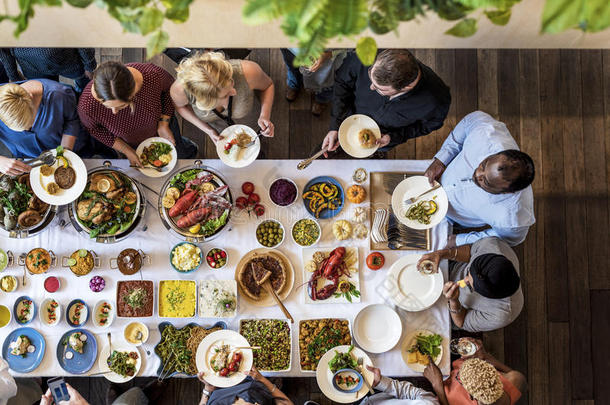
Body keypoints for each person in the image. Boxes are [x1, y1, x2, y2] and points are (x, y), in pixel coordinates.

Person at [424, 111, 535, 247]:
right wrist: (441, 161)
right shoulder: (487, 134)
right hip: (434, 179)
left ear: (506, 192)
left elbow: (509, 238)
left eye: (485, 182)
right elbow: (469, 121)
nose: (477, 175)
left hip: (452, 219)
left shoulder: (513, 216)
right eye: (483, 165)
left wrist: (459, 240)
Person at [322, 49, 450, 154]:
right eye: (370, 77)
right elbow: (342, 82)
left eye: (379, 89)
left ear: (406, 87)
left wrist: (394, 137)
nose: (371, 87)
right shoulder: (367, 55)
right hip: (348, 119)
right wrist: (336, 124)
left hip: (382, 141)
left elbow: (428, 125)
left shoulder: (436, 101)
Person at [78, 61, 197, 166]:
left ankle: (188, 147)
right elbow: (94, 129)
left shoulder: (152, 75)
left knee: (180, 151)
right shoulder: (87, 106)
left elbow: (170, 91)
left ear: (133, 92)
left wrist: (164, 123)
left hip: (164, 126)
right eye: (108, 107)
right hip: (130, 142)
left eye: (121, 106)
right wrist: (126, 150)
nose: (114, 112)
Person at [418, 237, 523, 332]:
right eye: (469, 272)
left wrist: (454, 301)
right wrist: (441, 254)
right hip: (451, 269)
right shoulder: (493, 245)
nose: (465, 279)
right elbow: (470, 251)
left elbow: (462, 322)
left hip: (455, 310)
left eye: (471, 286)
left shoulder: (500, 315)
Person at [170, 51, 275, 143]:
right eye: (224, 96)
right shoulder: (180, 90)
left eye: (231, 83)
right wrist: (209, 130)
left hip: (253, 124)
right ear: (204, 102)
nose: (234, 92)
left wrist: (264, 115)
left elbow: (268, 86)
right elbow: (180, 107)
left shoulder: (249, 71)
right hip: (221, 133)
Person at [0, 80, 91, 175]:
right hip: (27, 156)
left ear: (30, 98)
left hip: (65, 146)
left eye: (29, 124)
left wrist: (65, 151)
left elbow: (72, 120)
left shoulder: (59, 95)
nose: (26, 131)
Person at [424, 339, 527, 405]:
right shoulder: (516, 378)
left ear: (471, 395)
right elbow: (512, 374)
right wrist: (485, 356)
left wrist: (437, 385)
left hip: (440, 391)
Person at [281, 49, 347, 116]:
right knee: (292, 66)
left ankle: (322, 99)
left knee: (327, 79)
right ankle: (294, 84)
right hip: (291, 46)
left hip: (326, 52)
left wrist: (330, 54)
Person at [0, 48, 96, 92]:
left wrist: (89, 65)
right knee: (50, 94)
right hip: (32, 68)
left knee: (84, 86)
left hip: (70, 61)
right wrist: (14, 76)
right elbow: (5, 53)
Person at [198, 367, 293, 405]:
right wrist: (261, 379)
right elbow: (287, 403)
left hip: (220, 383)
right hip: (256, 382)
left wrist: (208, 389)